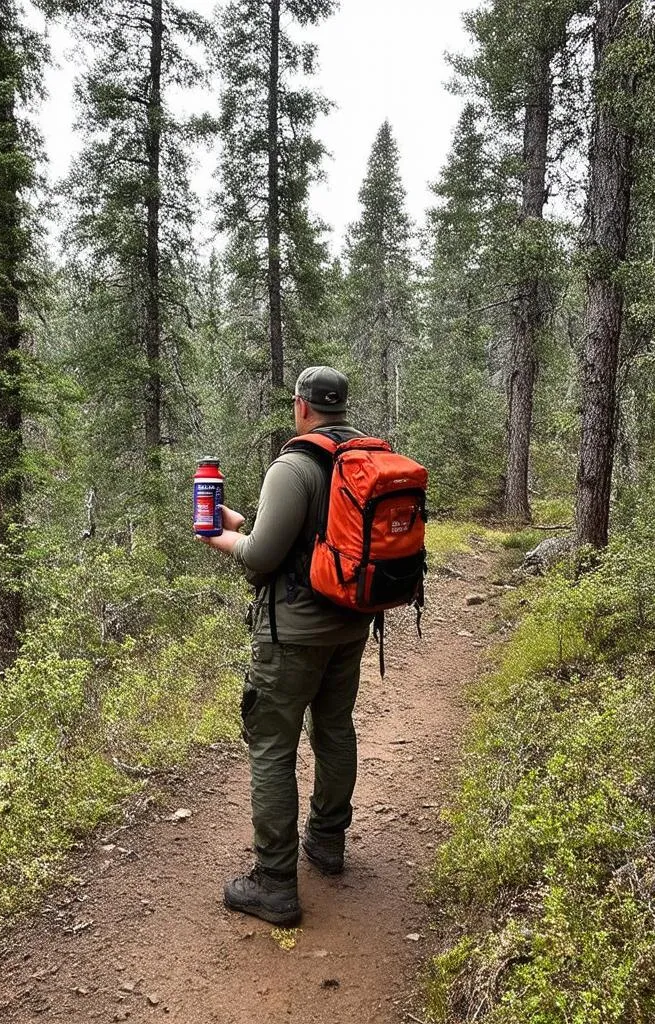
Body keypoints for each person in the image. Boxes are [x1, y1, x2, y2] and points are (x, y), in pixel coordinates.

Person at [197, 366, 373, 926]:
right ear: (340, 406)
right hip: (350, 625)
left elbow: (261, 557)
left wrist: (218, 534)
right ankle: (327, 841)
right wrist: (245, 523)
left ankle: (274, 883)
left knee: (272, 747)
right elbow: (305, 537)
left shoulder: (293, 466)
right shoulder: (360, 459)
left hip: (291, 634)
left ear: (301, 406)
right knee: (335, 729)